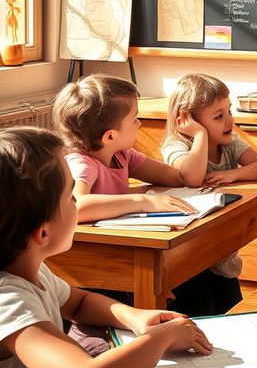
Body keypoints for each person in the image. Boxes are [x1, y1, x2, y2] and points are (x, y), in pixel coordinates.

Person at [0, 126, 211, 368]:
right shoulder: (7, 300)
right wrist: (160, 339)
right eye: (71, 197)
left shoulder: (30, 270)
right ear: (42, 233)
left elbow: (78, 303)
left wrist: (132, 316)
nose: (78, 204)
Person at [51, 75, 226, 351]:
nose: (140, 124)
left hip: (125, 250)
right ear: (110, 136)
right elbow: (76, 206)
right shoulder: (81, 163)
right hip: (95, 263)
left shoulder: (123, 156)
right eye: (134, 119)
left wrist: (199, 137)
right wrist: (142, 201)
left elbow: (181, 177)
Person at [161, 73, 257, 306]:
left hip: (222, 257)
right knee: (202, 318)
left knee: (231, 314)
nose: (229, 121)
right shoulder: (177, 146)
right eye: (218, 116)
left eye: (229, 111)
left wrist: (233, 174)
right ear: (186, 120)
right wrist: (200, 135)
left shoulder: (230, 143)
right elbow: (192, 178)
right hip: (188, 264)